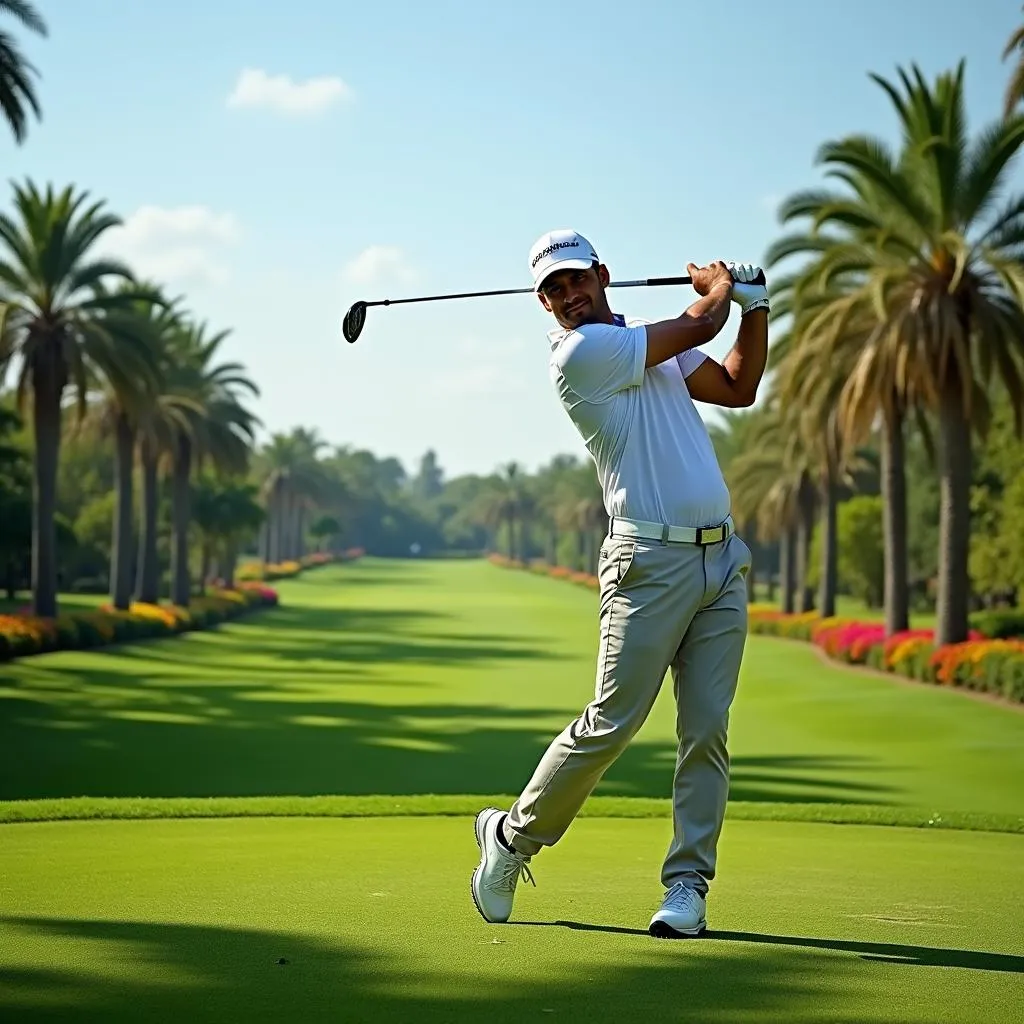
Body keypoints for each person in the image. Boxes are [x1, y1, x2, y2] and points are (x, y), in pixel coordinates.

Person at [470, 228, 770, 938]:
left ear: (602, 275)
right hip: (648, 566)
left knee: (706, 731)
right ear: (543, 304)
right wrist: (723, 284)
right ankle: (514, 837)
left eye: (575, 280)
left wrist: (755, 309)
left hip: (721, 562)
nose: (568, 297)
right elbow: (703, 318)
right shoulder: (584, 356)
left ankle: (687, 886)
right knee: (614, 720)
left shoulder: (646, 342)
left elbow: (738, 386)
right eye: (553, 290)